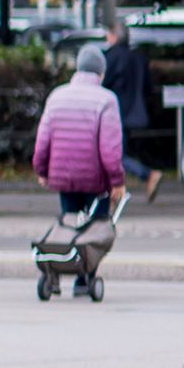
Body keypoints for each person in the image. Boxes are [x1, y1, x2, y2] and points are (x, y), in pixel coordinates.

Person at [31, 40, 127, 229]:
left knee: (69, 228)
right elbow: (110, 150)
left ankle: (72, 258)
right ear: (101, 72)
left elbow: (43, 141)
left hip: (64, 177)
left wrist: (41, 170)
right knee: (95, 232)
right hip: (96, 180)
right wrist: (117, 182)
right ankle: (88, 259)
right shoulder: (107, 100)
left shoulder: (56, 96)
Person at [102, 28, 164, 203]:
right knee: (118, 153)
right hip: (135, 113)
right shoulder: (138, 57)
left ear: (114, 36)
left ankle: (146, 175)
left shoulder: (112, 57)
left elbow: (104, 83)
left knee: (114, 155)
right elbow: (148, 88)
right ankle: (116, 191)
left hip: (115, 114)